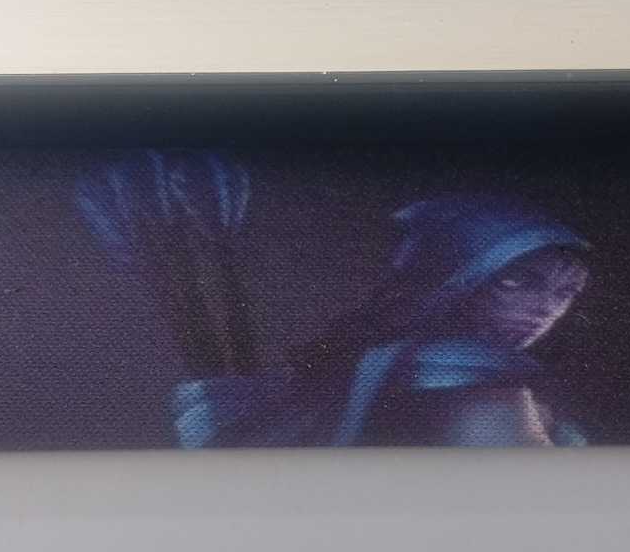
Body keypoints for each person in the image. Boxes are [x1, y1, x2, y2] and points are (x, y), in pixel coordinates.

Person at [170, 190, 591, 448]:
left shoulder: (389, 359)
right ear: (459, 275)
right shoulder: (466, 369)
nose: (547, 309)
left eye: (565, 292)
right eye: (518, 282)